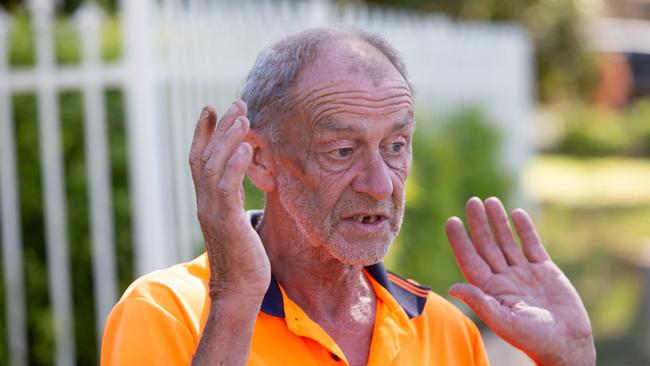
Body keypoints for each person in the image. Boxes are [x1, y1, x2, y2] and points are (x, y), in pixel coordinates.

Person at [101, 27, 596, 366]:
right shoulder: (167, 312)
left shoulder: (444, 331)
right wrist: (233, 306)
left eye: (396, 146)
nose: (380, 184)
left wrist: (570, 360)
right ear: (260, 162)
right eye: (342, 150)